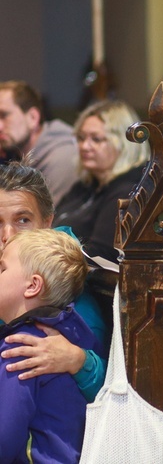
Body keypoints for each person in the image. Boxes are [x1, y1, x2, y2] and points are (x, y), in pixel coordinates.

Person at [0, 162, 108, 403]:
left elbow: (112, 393)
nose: (7, 236)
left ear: (47, 223)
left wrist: (79, 361)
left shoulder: (68, 288)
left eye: (23, 220)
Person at [0, 229, 96, 462]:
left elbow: (4, 439)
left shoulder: (23, 348)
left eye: (2, 268)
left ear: (33, 286)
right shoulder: (66, 332)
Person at [52, 99, 149, 262]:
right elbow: (51, 223)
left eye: (96, 139)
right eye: (81, 138)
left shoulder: (129, 190)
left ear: (122, 144)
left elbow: (99, 254)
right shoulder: (86, 185)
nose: (84, 146)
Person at [0, 80, 78, 204]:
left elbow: (49, 221)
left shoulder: (60, 158)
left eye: (4, 115)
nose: (0, 126)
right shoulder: (13, 154)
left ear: (33, 117)